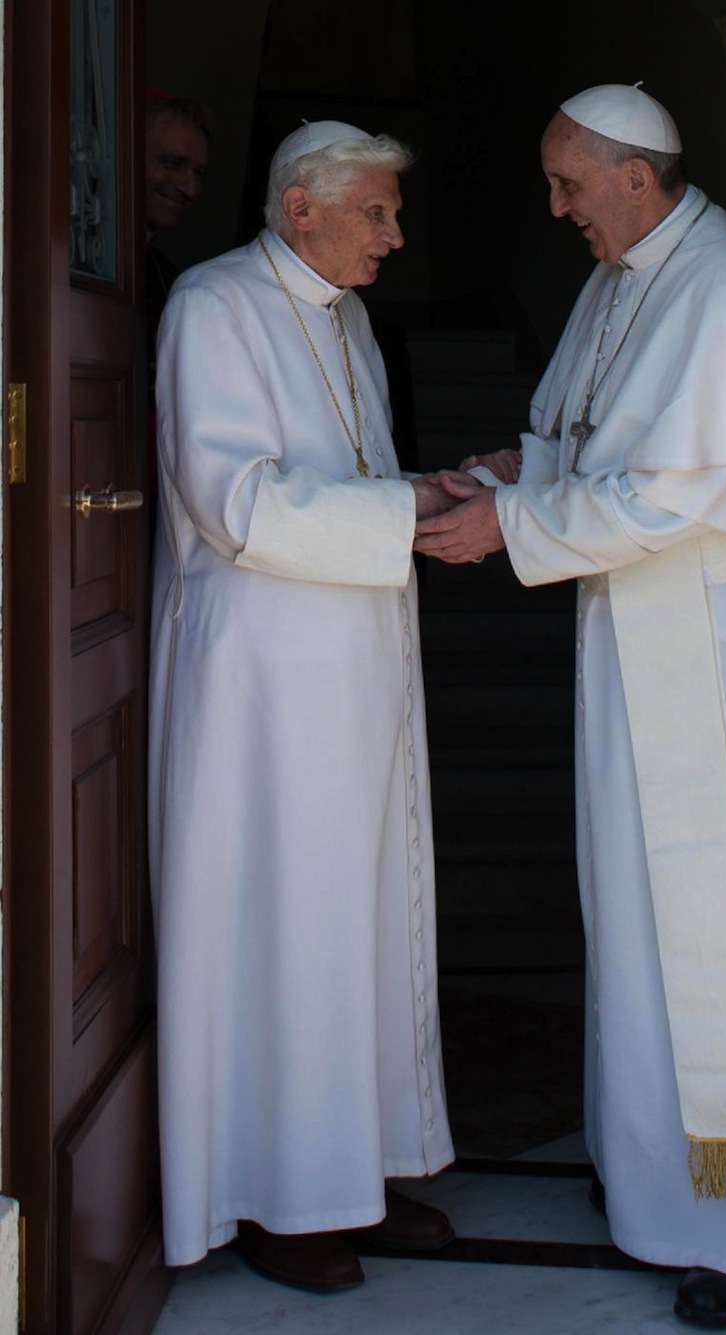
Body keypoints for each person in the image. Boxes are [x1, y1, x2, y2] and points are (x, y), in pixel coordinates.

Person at [416, 84, 726, 1326]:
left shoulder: (724, 289)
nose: (555, 206)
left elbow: (679, 500)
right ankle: (667, 1190)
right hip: (645, 631)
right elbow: (603, 448)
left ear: (635, 174)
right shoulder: (625, 278)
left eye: (570, 184)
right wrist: (518, 470)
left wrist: (507, 524)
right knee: (637, 912)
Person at [149, 119, 461, 1292]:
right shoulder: (214, 306)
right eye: (375, 213)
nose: (392, 235)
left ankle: (357, 1175)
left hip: (358, 667)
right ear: (299, 210)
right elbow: (235, 500)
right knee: (287, 930)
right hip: (265, 689)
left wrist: (426, 491)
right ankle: (279, 1199)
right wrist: (407, 517)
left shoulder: (352, 321)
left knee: (364, 922)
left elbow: (356, 485)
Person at [146, 95, 214, 350]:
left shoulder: (167, 277)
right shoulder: (71, 255)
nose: (190, 189)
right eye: (173, 164)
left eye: (199, 174)